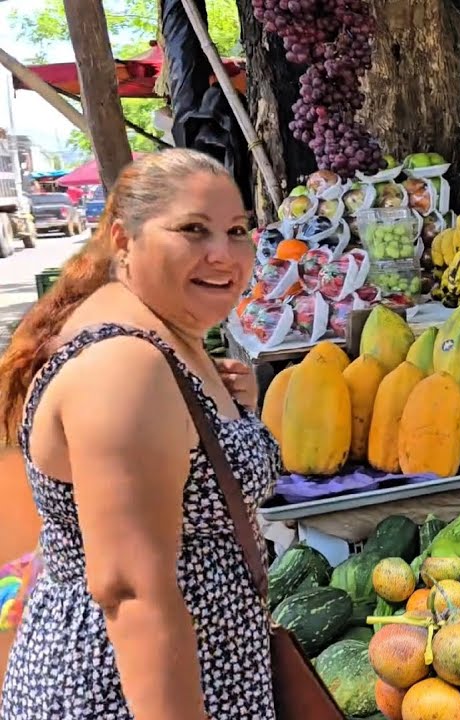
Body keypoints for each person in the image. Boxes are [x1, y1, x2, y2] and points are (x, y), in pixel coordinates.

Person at [0, 149, 278, 719]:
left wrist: (232, 408)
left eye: (237, 230)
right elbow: (132, 594)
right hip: (129, 693)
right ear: (124, 240)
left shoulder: (166, 329)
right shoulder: (126, 364)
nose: (223, 255)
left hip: (203, 669)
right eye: (193, 230)